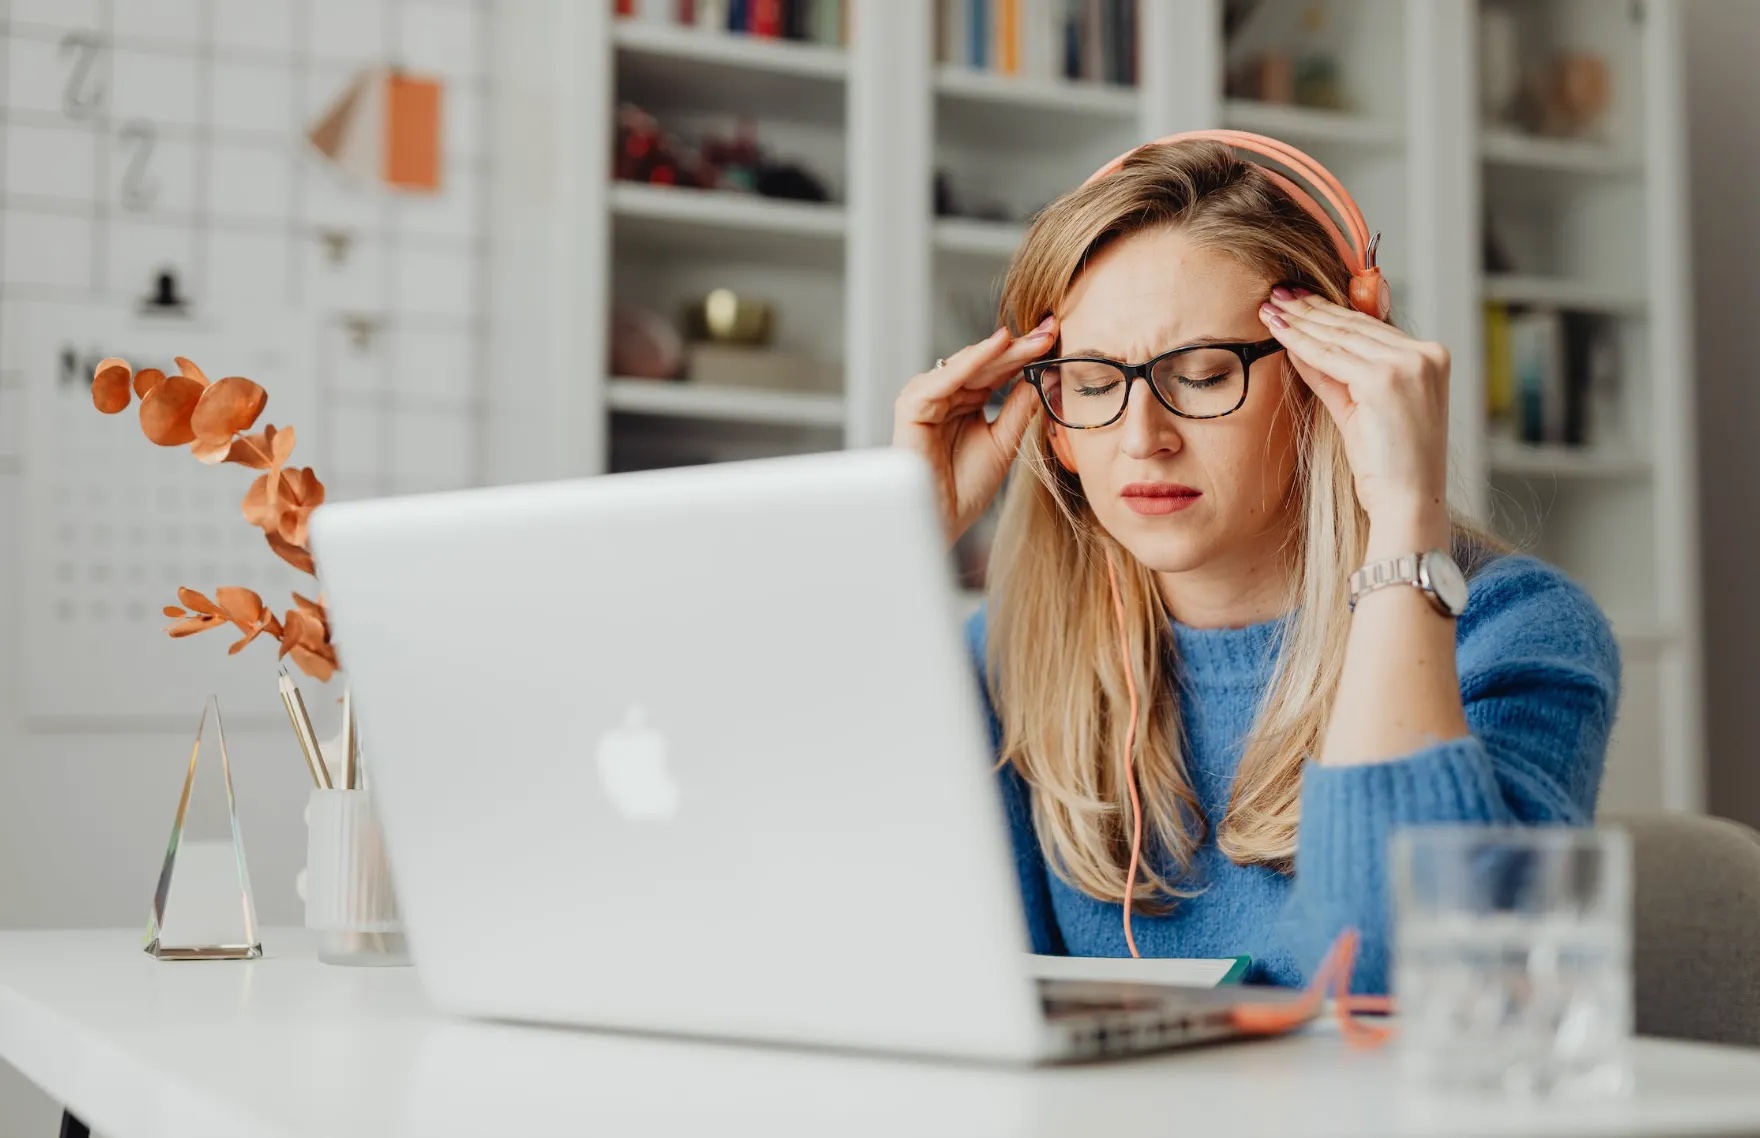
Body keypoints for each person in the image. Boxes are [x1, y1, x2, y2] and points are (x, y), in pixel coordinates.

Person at [891, 138, 1620, 994]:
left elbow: (1394, 982)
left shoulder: (1514, 634)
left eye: (1201, 375)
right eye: (1091, 385)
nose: (1142, 438)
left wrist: (1402, 523)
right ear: (1050, 420)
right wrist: (895, 550)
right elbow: (899, 959)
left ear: (1330, 376)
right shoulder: (1008, 658)